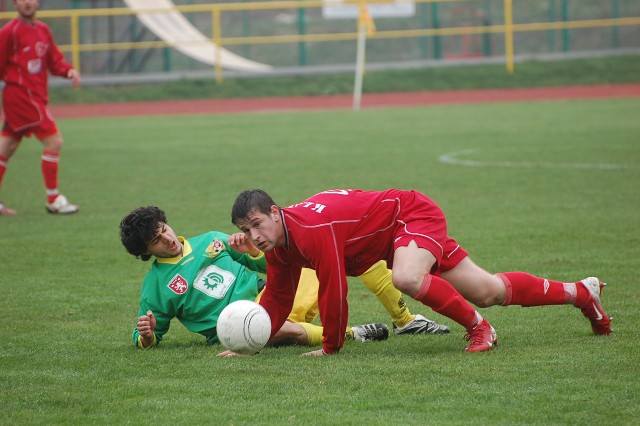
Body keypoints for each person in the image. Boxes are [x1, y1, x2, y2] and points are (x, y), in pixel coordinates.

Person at [230, 188, 612, 356]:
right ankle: (582, 292)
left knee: (407, 278)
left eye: (258, 224)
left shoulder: (310, 230)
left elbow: (334, 289)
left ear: (276, 212)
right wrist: (255, 341)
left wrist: (331, 347)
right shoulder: (280, 247)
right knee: (489, 291)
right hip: (397, 237)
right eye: (246, 230)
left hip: (410, 216)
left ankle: (480, 328)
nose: (254, 235)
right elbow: (279, 297)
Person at [120, 206, 407, 349]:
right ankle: (353, 334)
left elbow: (273, 267)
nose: (167, 239)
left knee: (329, 257)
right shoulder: (155, 286)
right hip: (236, 326)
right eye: (156, 241)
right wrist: (146, 336)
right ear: (146, 252)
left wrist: (252, 252)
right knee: (276, 327)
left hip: (271, 296)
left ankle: (407, 320)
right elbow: (146, 335)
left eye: (164, 229)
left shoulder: (212, 240)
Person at [0, 0, 80, 216]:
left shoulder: (43, 29)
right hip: (21, 97)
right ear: (15, 4)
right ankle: (54, 199)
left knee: (5, 148)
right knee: (54, 141)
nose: (27, 2)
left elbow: (54, 61)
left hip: (35, 97)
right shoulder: (9, 32)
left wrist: (68, 71)